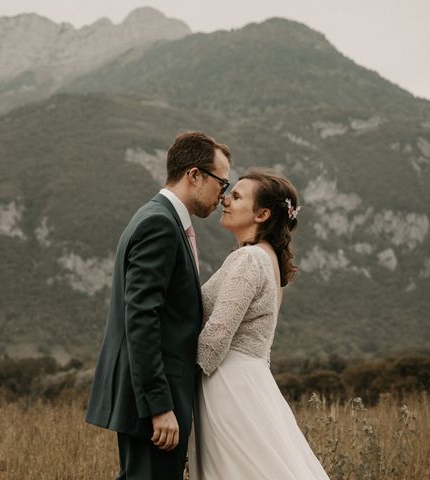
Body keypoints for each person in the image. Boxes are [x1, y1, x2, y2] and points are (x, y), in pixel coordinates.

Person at [86, 131, 232, 480]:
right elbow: (141, 318)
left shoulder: (164, 220)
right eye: (221, 183)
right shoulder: (159, 224)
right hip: (155, 402)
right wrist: (160, 406)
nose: (222, 196)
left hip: (156, 396)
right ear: (194, 175)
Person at [189, 168, 330, 479]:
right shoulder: (267, 260)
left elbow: (215, 339)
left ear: (262, 214)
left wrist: (172, 388)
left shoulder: (249, 259)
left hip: (228, 387)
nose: (225, 199)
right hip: (250, 381)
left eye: (237, 196)